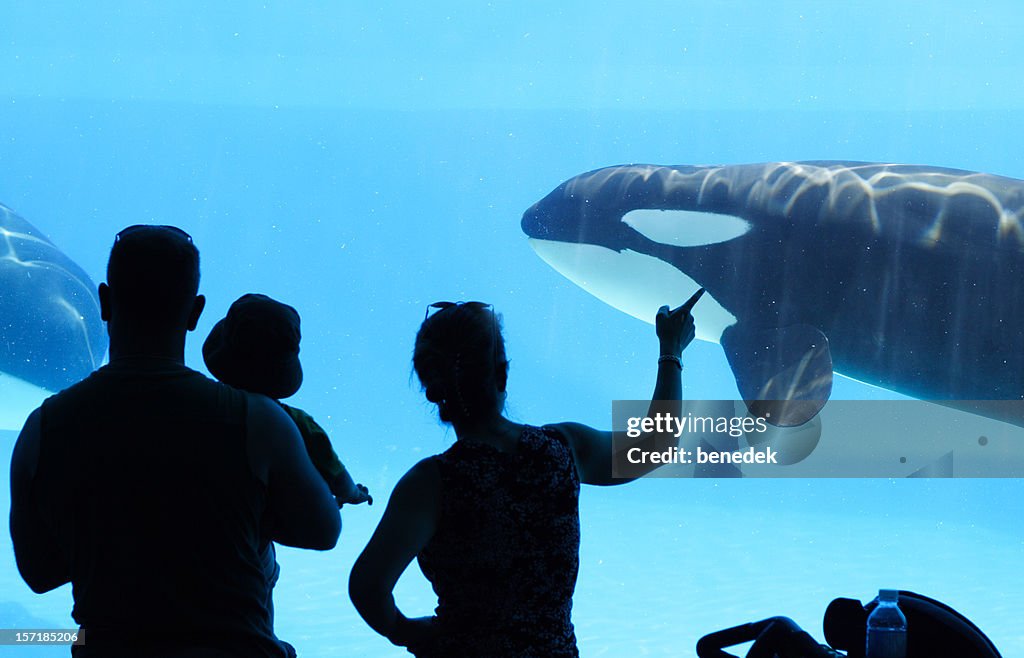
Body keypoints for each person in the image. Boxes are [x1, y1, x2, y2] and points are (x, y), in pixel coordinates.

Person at [9, 225, 341, 657]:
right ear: (196, 312)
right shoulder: (258, 420)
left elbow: (38, 573)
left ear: (105, 303)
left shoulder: (43, 429)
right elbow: (324, 530)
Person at [349, 291, 704, 657]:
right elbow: (656, 445)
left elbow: (367, 587)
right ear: (502, 374)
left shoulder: (429, 484)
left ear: (431, 389)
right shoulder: (561, 450)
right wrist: (670, 350)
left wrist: (407, 632)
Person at [202, 293, 371, 627]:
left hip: (193, 562)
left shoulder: (199, 410)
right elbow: (333, 472)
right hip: (250, 565)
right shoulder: (294, 423)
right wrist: (352, 493)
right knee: (257, 610)